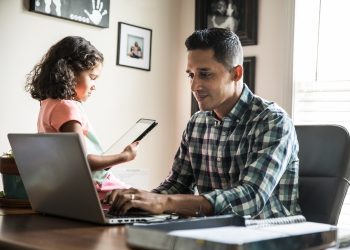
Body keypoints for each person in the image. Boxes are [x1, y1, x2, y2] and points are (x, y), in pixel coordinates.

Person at [106, 28, 301, 219]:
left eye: (205, 74)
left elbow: (251, 198)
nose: (194, 86)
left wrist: (163, 203)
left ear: (236, 73)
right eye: (191, 75)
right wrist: (138, 201)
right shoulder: (197, 123)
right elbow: (177, 184)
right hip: (213, 234)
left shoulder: (273, 120)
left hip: (270, 235)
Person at [25, 36, 138, 199]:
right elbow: (80, 161)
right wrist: (124, 156)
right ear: (69, 73)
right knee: (145, 199)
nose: (94, 86)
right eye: (92, 77)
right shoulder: (67, 107)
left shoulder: (47, 104)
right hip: (96, 185)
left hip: (66, 188)